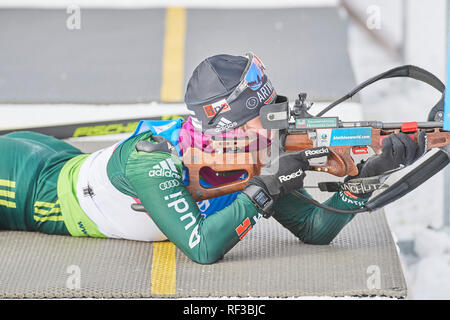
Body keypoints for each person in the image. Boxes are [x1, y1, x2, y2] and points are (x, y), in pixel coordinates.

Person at [0, 53, 426, 264]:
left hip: (58, 158)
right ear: (227, 129)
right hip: (21, 182)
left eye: (272, 113)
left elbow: (315, 230)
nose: (271, 128)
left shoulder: (251, 156)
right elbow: (203, 249)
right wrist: (267, 186)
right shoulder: (154, 160)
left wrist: (368, 177)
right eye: (260, 119)